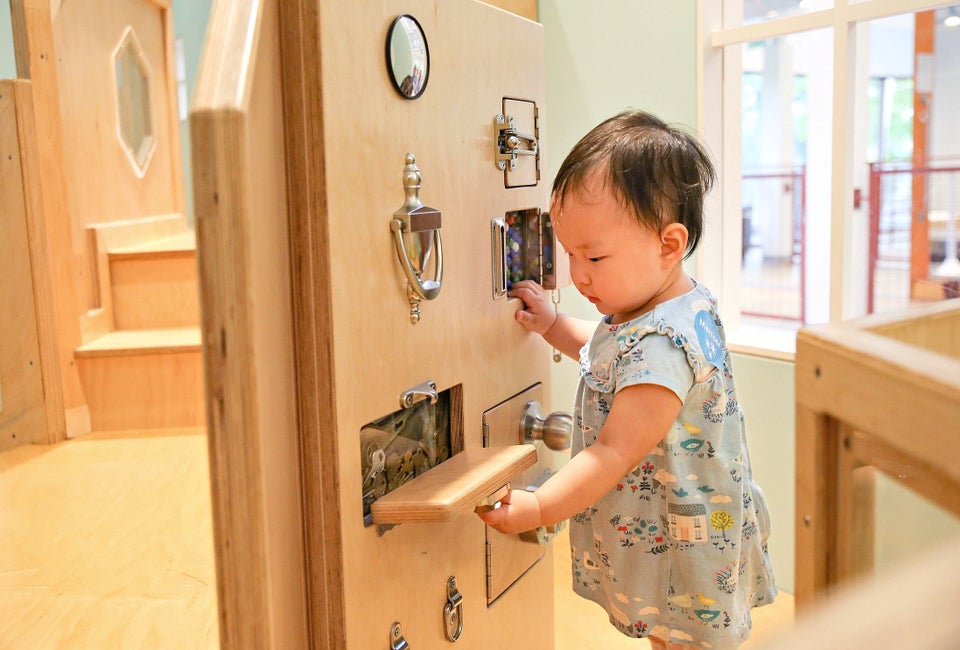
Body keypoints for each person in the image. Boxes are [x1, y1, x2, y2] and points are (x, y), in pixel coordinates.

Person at [477, 110, 777, 649]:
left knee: (681, 637)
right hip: (685, 528)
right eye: (569, 253)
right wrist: (552, 325)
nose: (578, 273)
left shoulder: (663, 345)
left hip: (682, 545)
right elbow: (611, 356)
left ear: (668, 244)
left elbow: (613, 452)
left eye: (594, 255)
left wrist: (542, 506)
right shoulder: (669, 307)